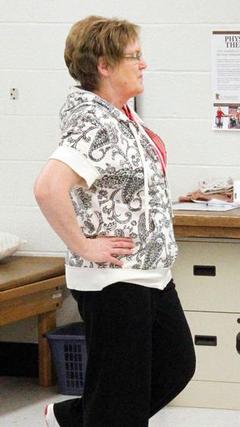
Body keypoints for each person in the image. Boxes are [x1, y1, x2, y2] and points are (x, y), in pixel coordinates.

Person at [34, 16, 195, 427]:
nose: (144, 64)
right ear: (104, 64)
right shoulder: (95, 122)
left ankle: (74, 417)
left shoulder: (122, 115)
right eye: (135, 56)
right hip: (115, 279)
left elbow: (117, 186)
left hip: (150, 272)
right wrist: (84, 245)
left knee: (176, 365)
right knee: (120, 400)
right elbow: (48, 188)